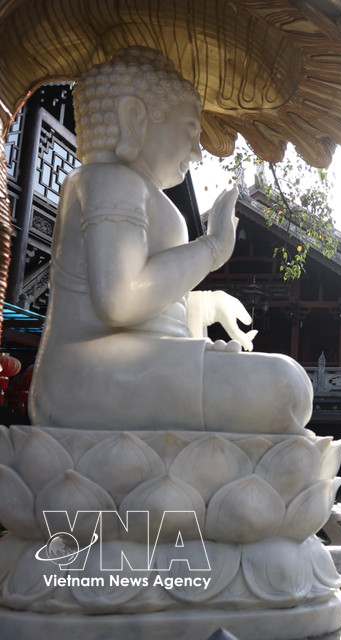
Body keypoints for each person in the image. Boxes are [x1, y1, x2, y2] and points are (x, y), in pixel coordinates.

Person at [28, 47, 313, 434]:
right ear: (135, 119)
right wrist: (210, 250)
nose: (197, 151)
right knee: (283, 385)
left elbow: (156, 311)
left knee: (289, 383)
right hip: (86, 374)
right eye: (191, 132)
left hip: (132, 364)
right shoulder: (109, 180)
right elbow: (122, 300)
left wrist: (206, 305)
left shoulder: (143, 194)